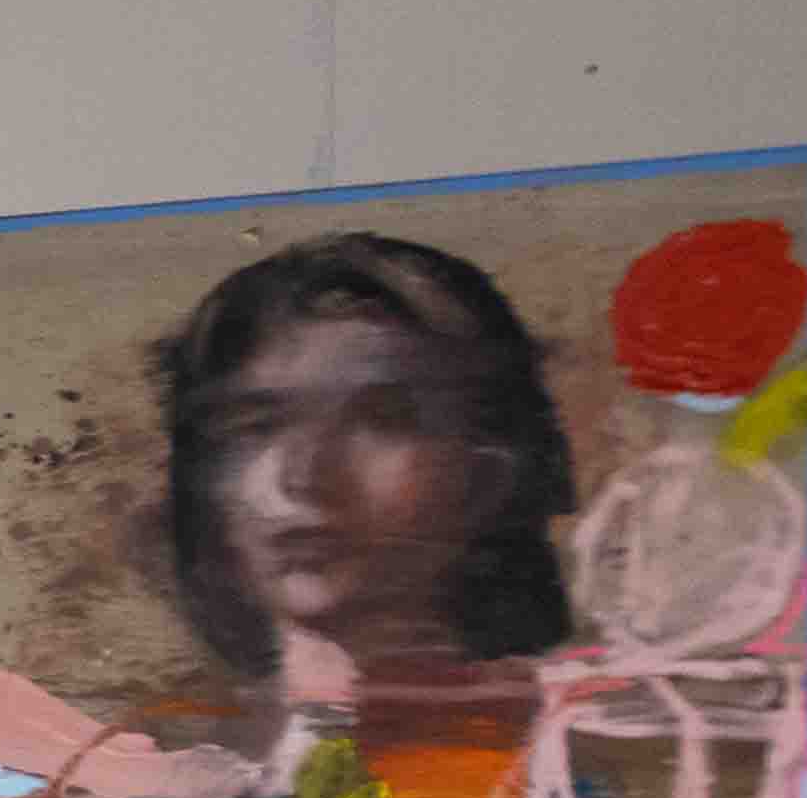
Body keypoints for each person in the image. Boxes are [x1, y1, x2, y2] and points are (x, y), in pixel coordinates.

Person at [151, 233, 577, 701]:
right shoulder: (163, 739)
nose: (303, 478)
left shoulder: (578, 730)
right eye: (256, 427)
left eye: (384, 421)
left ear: (489, 474)